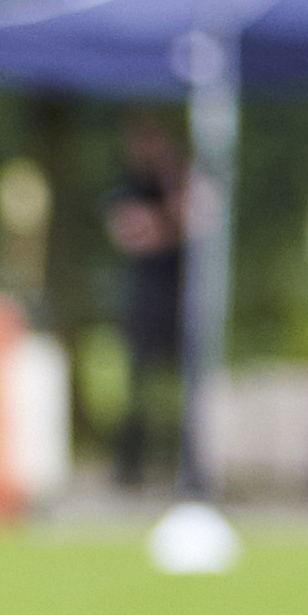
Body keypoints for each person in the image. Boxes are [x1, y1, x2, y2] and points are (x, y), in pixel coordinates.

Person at [103, 112, 193, 487]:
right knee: (139, 382)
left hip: (183, 294)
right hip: (145, 296)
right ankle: (131, 464)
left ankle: (182, 460)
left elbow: (192, 222)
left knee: (185, 382)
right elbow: (141, 234)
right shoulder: (126, 189)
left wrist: (173, 179)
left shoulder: (179, 182)